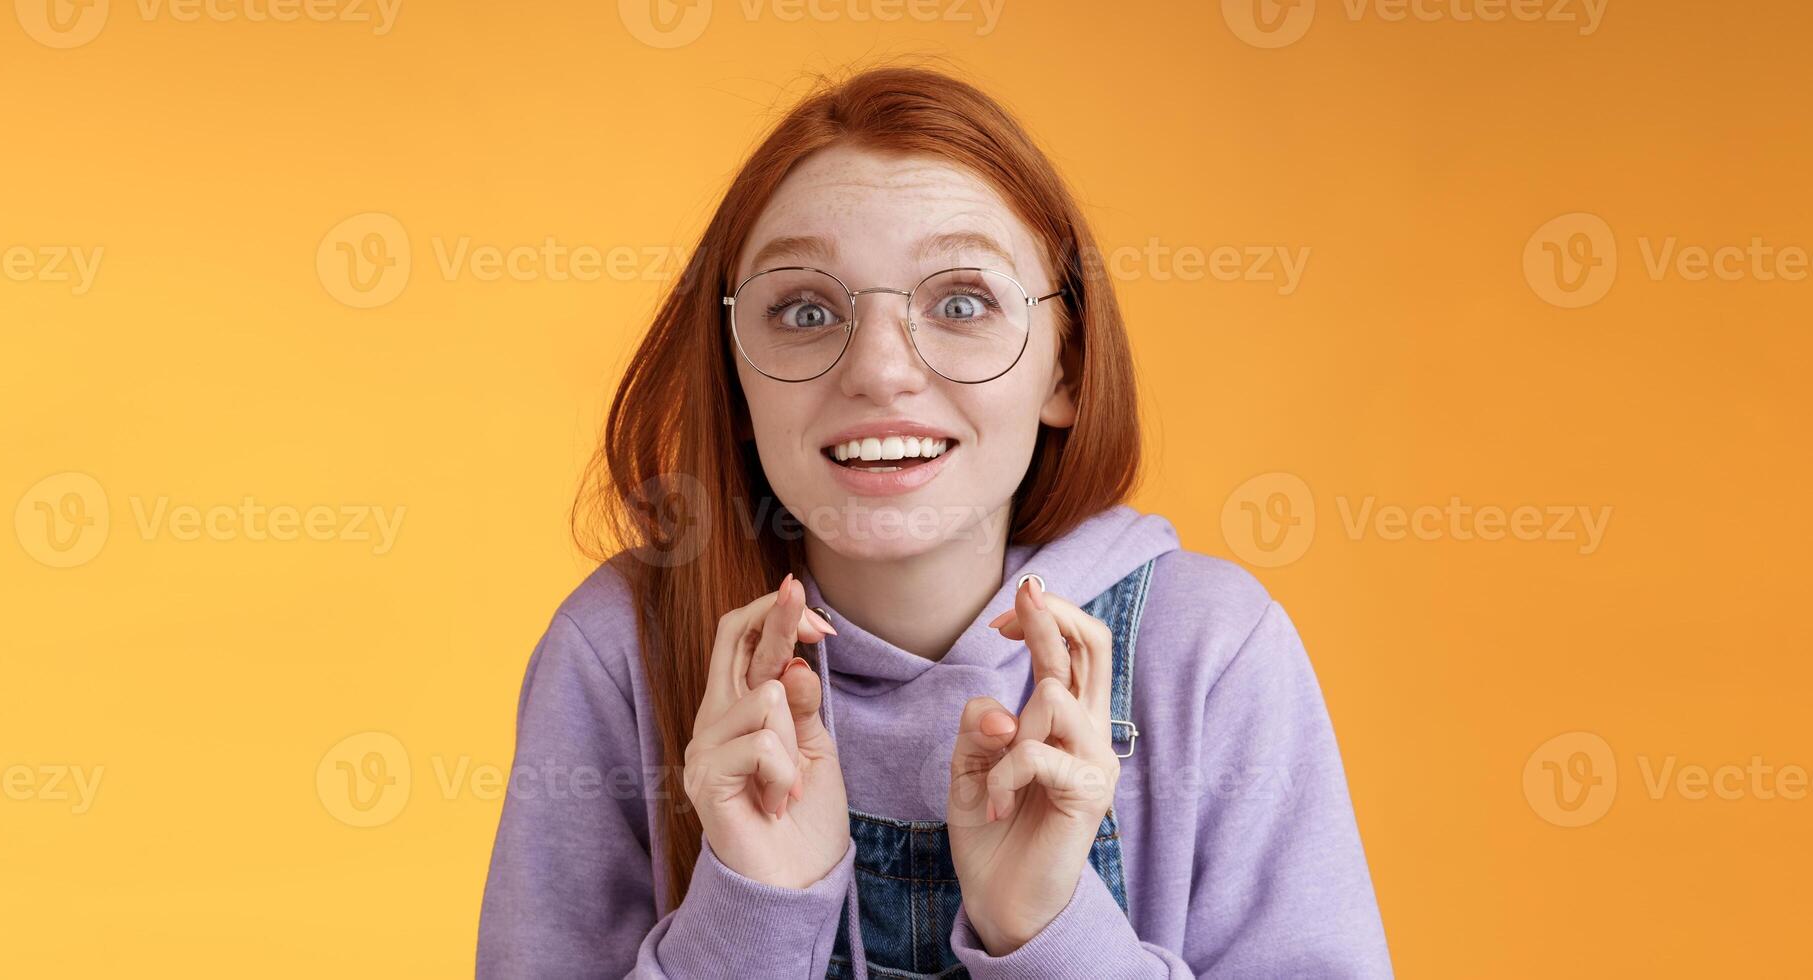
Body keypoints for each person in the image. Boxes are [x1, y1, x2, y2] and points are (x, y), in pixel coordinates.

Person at [476, 66, 1390, 978]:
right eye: (804, 309)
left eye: (961, 303)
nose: (879, 369)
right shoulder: (618, 652)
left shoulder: (1209, 652)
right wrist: (747, 917)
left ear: (1064, 370)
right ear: (735, 377)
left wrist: (1050, 930)